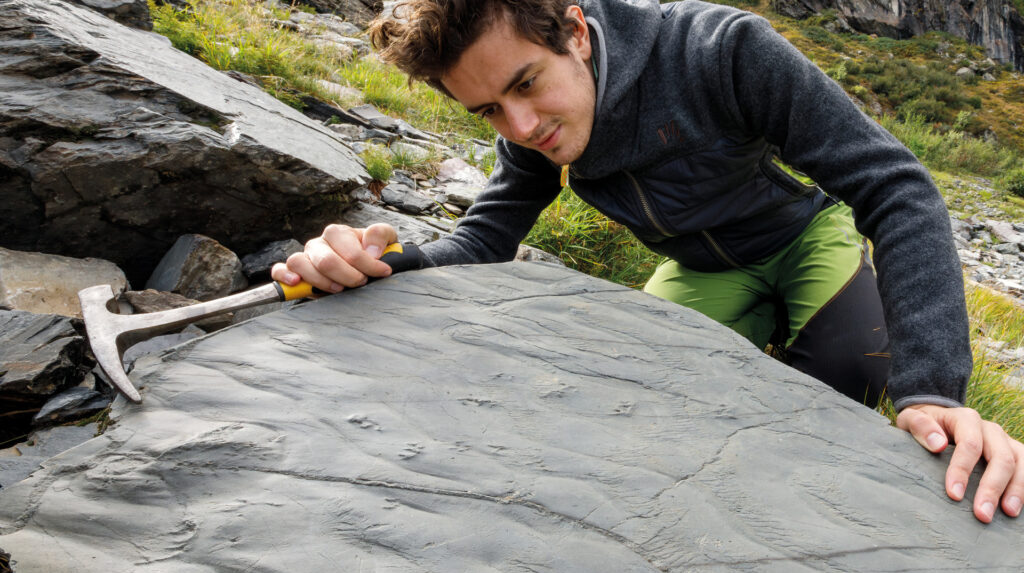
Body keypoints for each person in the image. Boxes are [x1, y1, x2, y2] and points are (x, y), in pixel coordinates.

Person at [272, 0, 1024, 523]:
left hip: (803, 237)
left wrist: (936, 391)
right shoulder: (527, 129)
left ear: (577, 33)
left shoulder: (720, 50)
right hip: (699, 268)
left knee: (851, 367)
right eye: (490, 112)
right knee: (651, 417)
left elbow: (895, 187)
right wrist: (377, 263)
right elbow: (480, 245)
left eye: (525, 85)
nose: (522, 126)